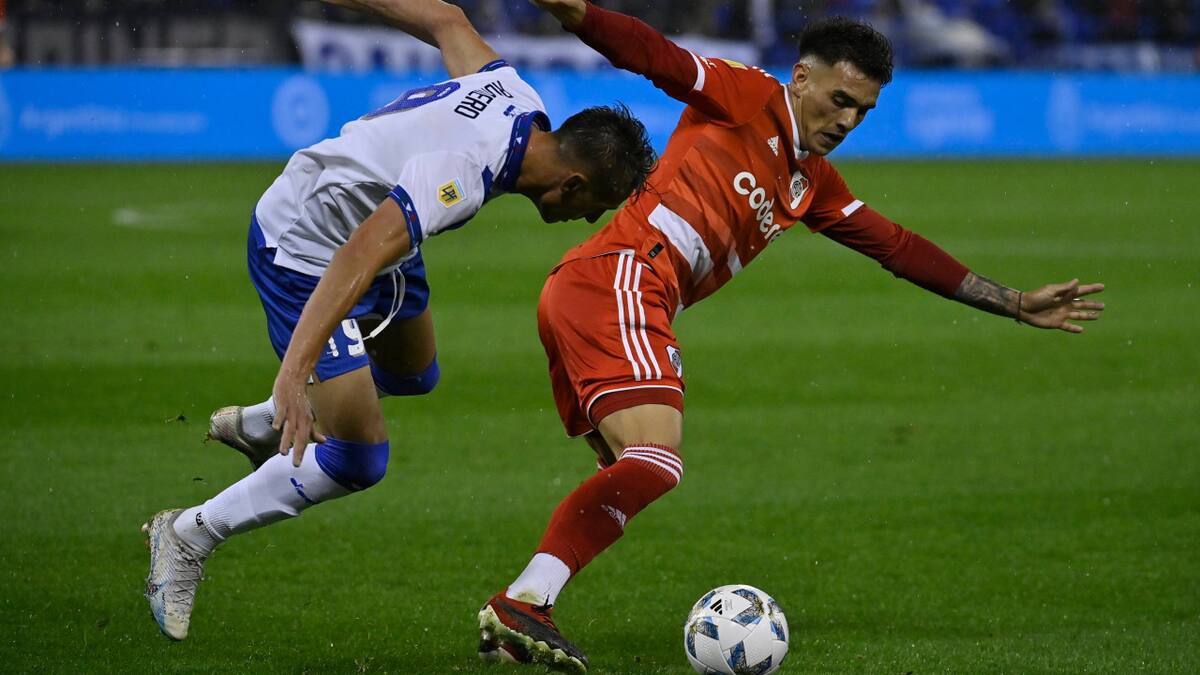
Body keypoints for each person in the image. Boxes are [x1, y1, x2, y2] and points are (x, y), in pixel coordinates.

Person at [475, 2, 1106, 672]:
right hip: (623, 277)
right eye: (839, 99)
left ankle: (522, 610)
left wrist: (1010, 300)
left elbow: (896, 245)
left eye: (861, 110)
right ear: (800, 78)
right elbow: (652, 53)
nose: (846, 120)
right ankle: (524, 602)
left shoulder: (812, 183)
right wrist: (574, 11)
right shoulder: (744, 96)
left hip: (601, 288)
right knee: (656, 460)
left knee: (635, 469)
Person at [140, 0, 655, 642]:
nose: (585, 223)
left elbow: (446, 19)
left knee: (414, 371)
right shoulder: (464, 175)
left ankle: (265, 425)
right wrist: (294, 374)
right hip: (306, 246)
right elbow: (357, 254)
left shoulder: (514, 94)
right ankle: (188, 534)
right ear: (572, 186)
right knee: (358, 457)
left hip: (378, 234)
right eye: (593, 210)